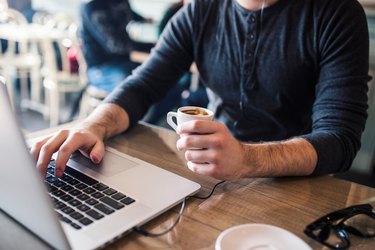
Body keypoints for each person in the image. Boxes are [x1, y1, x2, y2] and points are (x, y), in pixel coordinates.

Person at [32, 0, 370, 181]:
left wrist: (248, 159)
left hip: (299, 180)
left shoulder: (337, 13)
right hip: (211, 172)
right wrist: (94, 125)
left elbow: (339, 140)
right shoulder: (199, 11)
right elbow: (142, 86)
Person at [80, 0, 153, 94]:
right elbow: (115, 45)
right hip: (102, 68)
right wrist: (150, 49)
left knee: (158, 75)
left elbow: (129, 14)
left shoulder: (120, 1)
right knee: (134, 87)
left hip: (125, 60)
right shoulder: (92, 7)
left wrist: (145, 20)